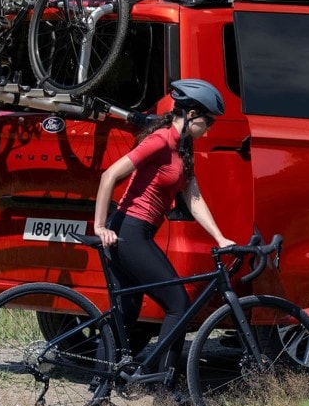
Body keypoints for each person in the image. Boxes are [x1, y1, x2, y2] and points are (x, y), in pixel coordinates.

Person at [92, 78, 234, 388]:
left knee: (125, 314)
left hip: (136, 232)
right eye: (207, 122)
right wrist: (100, 226)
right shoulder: (159, 140)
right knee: (178, 305)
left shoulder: (183, 146)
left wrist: (220, 238)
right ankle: (162, 386)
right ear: (192, 113)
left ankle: (98, 394)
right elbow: (110, 175)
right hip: (127, 231)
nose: (208, 130)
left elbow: (193, 197)